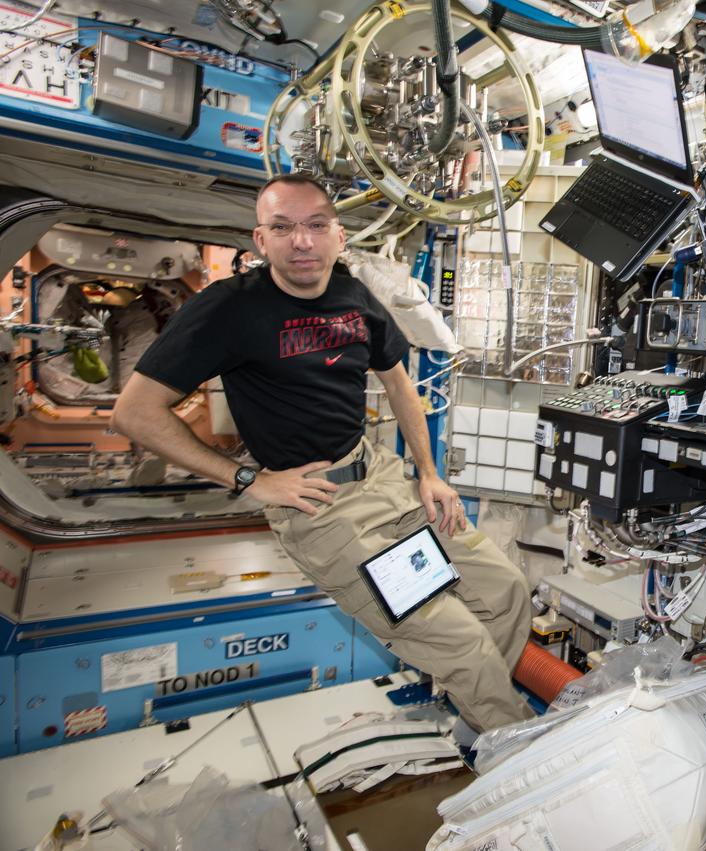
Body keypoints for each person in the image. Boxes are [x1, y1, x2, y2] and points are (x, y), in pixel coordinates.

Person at [112, 173, 534, 732]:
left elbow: (399, 382)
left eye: (315, 226)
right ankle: (514, 751)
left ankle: (478, 717)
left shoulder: (353, 293)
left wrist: (429, 475)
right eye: (282, 227)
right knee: (462, 644)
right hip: (326, 513)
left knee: (505, 593)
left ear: (338, 235)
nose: (302, 241)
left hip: (385, 483)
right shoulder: (228, 309)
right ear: (260, 241)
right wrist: (249, 481)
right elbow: (134, 412)